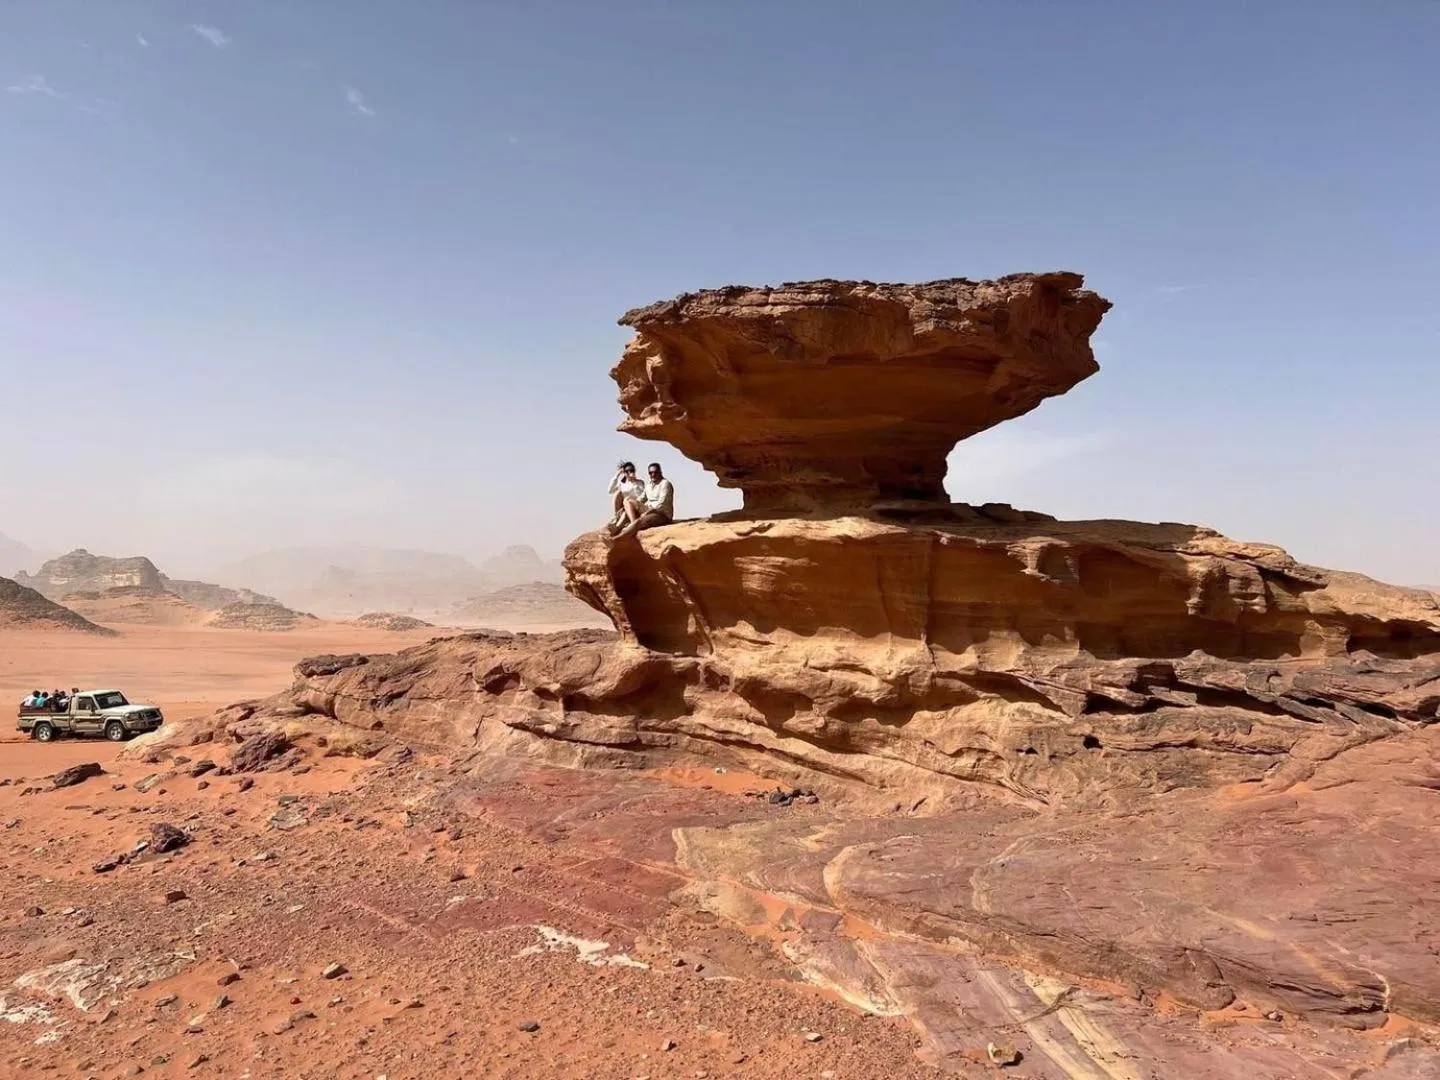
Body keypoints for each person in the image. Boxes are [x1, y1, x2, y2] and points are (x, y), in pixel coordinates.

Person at [616, 462, 674, 538]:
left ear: (660, 472)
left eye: (655, 472)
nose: (653, 475)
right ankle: (633, 524)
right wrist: (624, 508)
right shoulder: (649, 486)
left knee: (640, 521)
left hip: (662, 515)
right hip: (649, 510)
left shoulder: (665, 484)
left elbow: (661, 505)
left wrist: (647, 512)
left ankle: (618, 538)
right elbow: (640, 499)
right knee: (627, 500)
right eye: (650, 473)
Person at [606, 461, 644, 534]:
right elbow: (610, 490)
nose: (629, 473)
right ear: (624, 473)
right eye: (627, 471)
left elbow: (642, 496)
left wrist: (634, 480)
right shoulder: (622, 484)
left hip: (636, 506)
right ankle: (617, 523)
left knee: (627, 503)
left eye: (631, 470)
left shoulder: (640, 483)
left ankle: (620, 526)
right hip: (625, 508)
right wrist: (617, 475)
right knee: (618, 494)